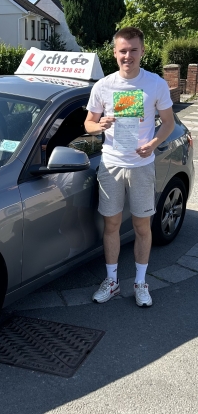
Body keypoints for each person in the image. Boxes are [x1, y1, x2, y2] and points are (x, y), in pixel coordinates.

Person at [84, 27, 175, 307]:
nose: (128, 55)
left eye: (133, 50)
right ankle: (112, 282)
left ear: (142, 51)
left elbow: (169, 123)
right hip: (111, 165)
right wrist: (99, 125)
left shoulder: (156, 84)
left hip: (141, 165)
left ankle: (140, 283)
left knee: (141, 225)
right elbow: (88, 124)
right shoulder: (103, 86)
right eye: (123, 50)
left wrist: (154, 143)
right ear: (114, 53)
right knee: (111, 225)